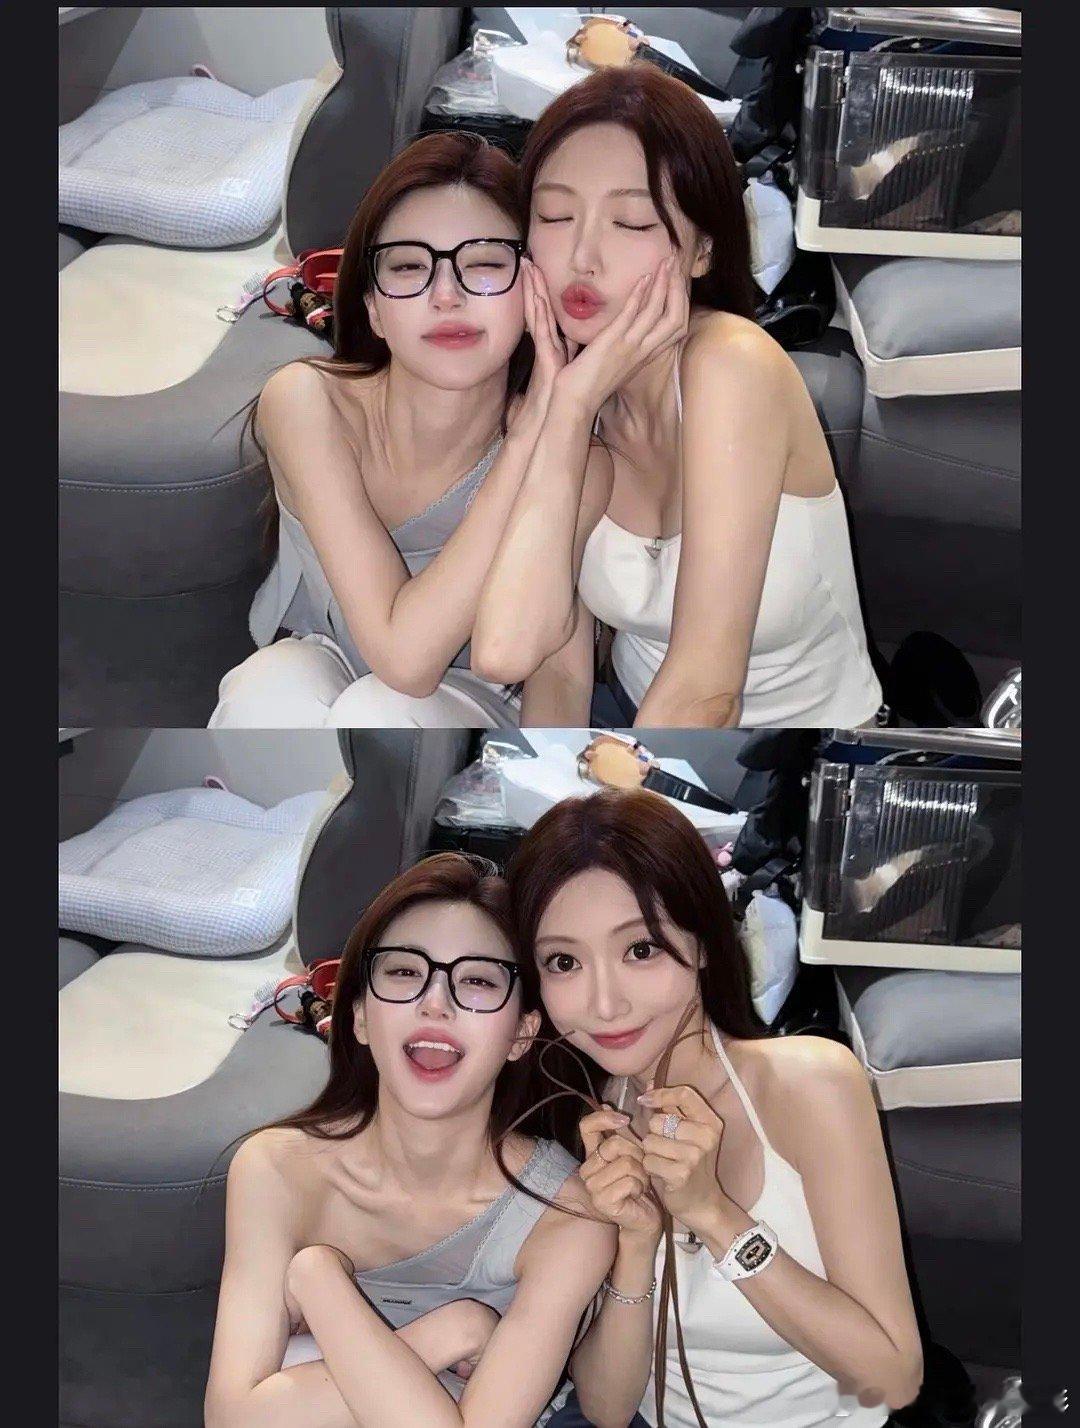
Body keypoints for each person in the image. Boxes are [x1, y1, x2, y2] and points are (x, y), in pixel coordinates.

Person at [472, 65, 884, 728]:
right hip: (640, 729)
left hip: (791, 753)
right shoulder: (558, 389)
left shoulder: (732, 366)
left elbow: (708, 688)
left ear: (701, 252)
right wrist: (567, 411)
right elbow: (530, 659)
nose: (582, 256)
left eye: (632, 222)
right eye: (555, 215)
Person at [507, 789, 923, 1428]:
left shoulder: (809, 1085)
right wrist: (636, 1245)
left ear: (702, 941)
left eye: (640, 949)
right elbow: (608, 1408)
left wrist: (715, 1215)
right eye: (564, 962)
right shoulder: (580, 1116)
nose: (605, 1004)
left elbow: (894, 1377)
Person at [208, 131, 614, 729]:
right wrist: (527, 440)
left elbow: (561, 668)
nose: (446, 295)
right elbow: (400, 654)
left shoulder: (579, 454)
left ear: (534, 290)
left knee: (382, 707)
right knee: (264, 689)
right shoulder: (306, 401)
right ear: (372, 307)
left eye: (484, 264)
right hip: (326, 658)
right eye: (408, 267)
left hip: (479, 699)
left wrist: (536, 437)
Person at [204, 853, 615, 1428]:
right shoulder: (276, 1170)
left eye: (477, 980)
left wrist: (318, 1283)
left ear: (523, 1032)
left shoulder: (567, 1216)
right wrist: (453, 1330)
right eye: (403, 972)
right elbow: (230, 1419)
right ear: (359, 1015)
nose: (435, 1003)